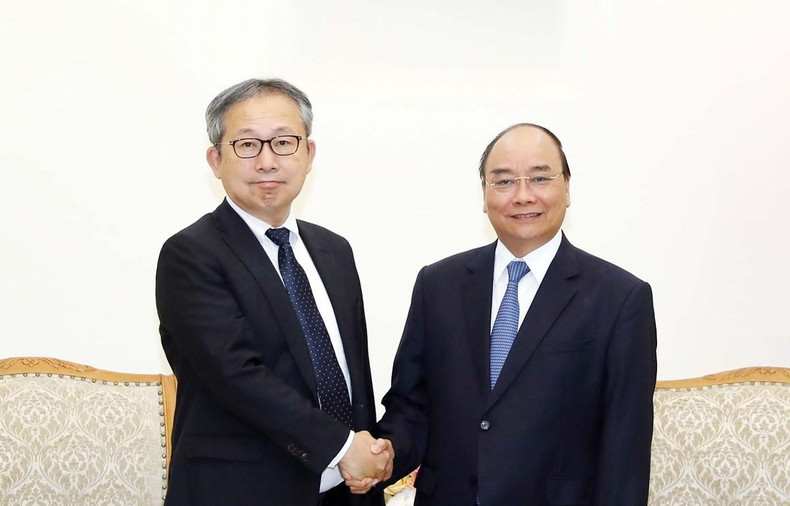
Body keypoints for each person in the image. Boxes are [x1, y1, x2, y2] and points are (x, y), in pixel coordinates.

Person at [374, 123, 658, 504]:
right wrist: (384, 453)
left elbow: (626, 449)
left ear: (567, 187)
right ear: (484, 193)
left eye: (540, 178)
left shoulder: (620, 299)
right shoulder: (438, 285)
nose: (523, 196)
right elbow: (411, 405)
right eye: (504, 182)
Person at [156, 78, 390, 506]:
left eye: (284, 142)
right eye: (247, 145)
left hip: (347, 491)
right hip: (241, 493)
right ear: (216, 159)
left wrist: (371, 448)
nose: (267, 161)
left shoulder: (334, 250)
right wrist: (343, 447)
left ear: (309, 153)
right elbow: (237, 377)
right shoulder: (191, 254)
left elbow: (350, 372)